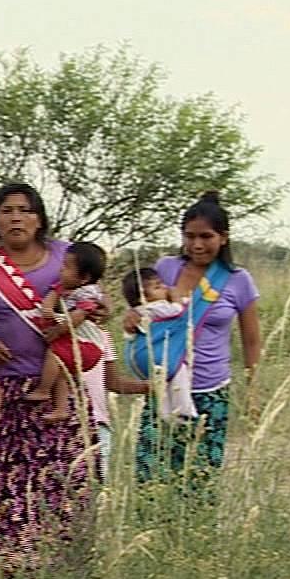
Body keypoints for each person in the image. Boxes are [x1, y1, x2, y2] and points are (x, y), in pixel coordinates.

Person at [0, 182, 96, 570]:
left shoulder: (67, 256)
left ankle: (62, 567)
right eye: (6, 211)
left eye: (25, 210)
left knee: (63, 477)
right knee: (0, 481)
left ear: (39, 219)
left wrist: (91, 314)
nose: (16, 218)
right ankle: (7, 568)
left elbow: (98, 304)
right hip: (0, 393)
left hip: (59, 389)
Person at [115, 191, 262, 485]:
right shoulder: (166, 268)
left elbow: (252, 340)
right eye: (189, 236)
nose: (197, 245)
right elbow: (145, 307)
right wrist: (131, 318)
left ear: (224, 237)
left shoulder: (237, 280)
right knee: (151, 476)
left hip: (211, 390)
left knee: (200, 478)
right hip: (163, 385)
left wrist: (253, 392)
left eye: (206, 237)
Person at [26, 241, 111, 426]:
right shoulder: (70, 287)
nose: (60, 270)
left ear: (84, 277)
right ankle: (61, 409)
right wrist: (50, 304)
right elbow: (49, 302)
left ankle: (44, 389)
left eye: (66, 267)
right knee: (62, 373)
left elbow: (78, 317)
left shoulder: (87, 293)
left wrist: (57, 331)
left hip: (87, 345)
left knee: (54, 355)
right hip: (78, 342)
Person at [120, 266, 196, 421]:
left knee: (161, 385)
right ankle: (185, 412)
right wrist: (176, 298)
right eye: (157, 287)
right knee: (178, 376)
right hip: (157, 356)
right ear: (143, 297)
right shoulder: (155, 307)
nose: (165, 288)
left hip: (137, 358)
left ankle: (166, 414)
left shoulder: (139, 311)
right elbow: (177, 311)